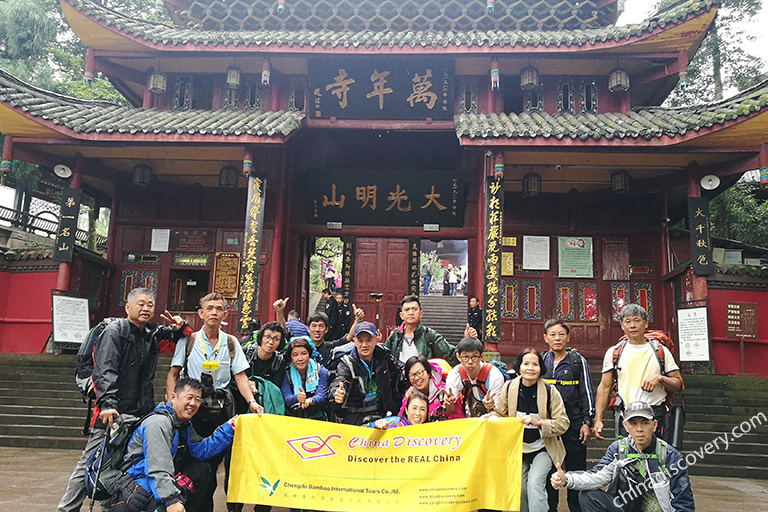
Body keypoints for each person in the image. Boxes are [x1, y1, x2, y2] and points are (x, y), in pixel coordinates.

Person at [57, 288, 187, 512]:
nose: (146, 308)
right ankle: (67, 509)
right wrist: (108, 404)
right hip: (112, 412)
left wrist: (180, 326)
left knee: (122, 464)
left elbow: (178, 337)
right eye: (140, 304)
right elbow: (104, 369)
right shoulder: (115, 331)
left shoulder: (150, 333)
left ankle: (111, 507)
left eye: (150, 304)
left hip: (138, 412)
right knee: (91, 463)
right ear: (127, 308)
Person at [165, 292, 264, 512]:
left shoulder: (231, 342)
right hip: (194, 411)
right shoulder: (188, 340)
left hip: (221, 410)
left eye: (219, 309)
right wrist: (173, 402)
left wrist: (251, 401)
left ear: (225, 314)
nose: (214, 313)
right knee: (202, 468)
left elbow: (240, 377)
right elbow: (173, 373)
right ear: (200, 313)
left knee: (226, 464)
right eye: (209, 308)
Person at [112, 378, 236, 512]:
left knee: (202, 470)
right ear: (173, 397)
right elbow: (157, 468)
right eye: (189, 397)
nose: (193, 403)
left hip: (156, 483)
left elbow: (200, 451)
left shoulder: (183, 424)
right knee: (169, 500)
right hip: (137, 489)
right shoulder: (158, 423)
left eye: (197, 399)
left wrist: (227, 429)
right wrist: (171, 500)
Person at [551, 401, 694, 512]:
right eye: (633, 423)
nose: (639, 429)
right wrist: (566, 479)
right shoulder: (619, 449)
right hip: (626, 507)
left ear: (654, 425)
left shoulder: (670, 455)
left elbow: (683, 501)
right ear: (625, 426)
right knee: (588, 496)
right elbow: (596, 476)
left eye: (645, 423)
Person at [487, 348, 569, 512]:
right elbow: (499, 413)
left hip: (543, 448)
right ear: (519, 366)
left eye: (535, 364)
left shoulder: (550, 391)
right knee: (520, 488)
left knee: (534, 483)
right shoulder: (509, 387)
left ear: (541, 368)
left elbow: (563, 423)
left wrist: (539, 423)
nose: (530, 368)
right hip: (518, 449)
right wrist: (490, 413)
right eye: (526, 364)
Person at [593, 305, 684, 443]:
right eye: (627, 321)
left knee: (656, 458)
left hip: (654, 415)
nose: (632, 325)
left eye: (637, 320)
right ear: (622, 326)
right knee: (628, 459)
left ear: (646, 323)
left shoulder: (660, 351)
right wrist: (598, 419)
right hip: (628, 415)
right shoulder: (614, 352)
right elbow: (604, 387)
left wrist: (660, 378)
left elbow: (678, 384)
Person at [541, 319, 595, 512]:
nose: (557, 338)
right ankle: (550, 508)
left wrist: (587, 421)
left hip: (574, 423)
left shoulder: (577, 361)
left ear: (568, 337)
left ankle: (576, 507)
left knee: (576, 470)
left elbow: (586, 392)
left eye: (561, 334)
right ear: (545, 338)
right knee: (549, 470)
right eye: (553, 334)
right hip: (549, 426)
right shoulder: (541, 361)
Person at [331, 322, 402, 425]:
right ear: (354, 341)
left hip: (381, 413)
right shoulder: (347, 363)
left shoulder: (384, 356)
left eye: (369, 340)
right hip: (355, 418)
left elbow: (400, 369)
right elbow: (340, 379)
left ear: (376, 340)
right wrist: (336, 393)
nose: (364, 345)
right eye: (360, 341)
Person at [384, 295, 465, 366]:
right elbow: (383, 358)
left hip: (423, 381)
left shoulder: (430, 335)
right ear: (401, 315)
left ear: (421, 314)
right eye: (407, 310)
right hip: (399, 381)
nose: (411, 312)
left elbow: (452, 355)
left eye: (414, 309)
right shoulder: (395, 335)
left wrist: (466, 341)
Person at [444, 337, 505, 418]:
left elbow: (499, 412)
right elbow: (449, 412)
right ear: (458, 357)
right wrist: (449, 403)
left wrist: (490, 406)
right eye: (465, 357)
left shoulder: (494, 376)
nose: (470, 362)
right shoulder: (454, 375)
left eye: (474, 357)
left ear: (481, 356)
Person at [282, 337, 329, 420]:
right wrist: (297, 398)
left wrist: (309, 401)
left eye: (304, 354)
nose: (300, 359)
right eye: (295, 355)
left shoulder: (320, 371)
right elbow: (286, 397)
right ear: (291, 358)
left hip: (317, 417)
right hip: (293, 418)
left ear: (309, 354)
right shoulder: (286, 373)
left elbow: (321, 395)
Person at [397, 355, 450, 421]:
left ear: (428, 373)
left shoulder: (445, 390)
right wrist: (406, 403)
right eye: (412, 375)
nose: (416, 378)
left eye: (419, 373)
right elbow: (400, 419)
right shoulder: (409, 394)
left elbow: (457, 416)